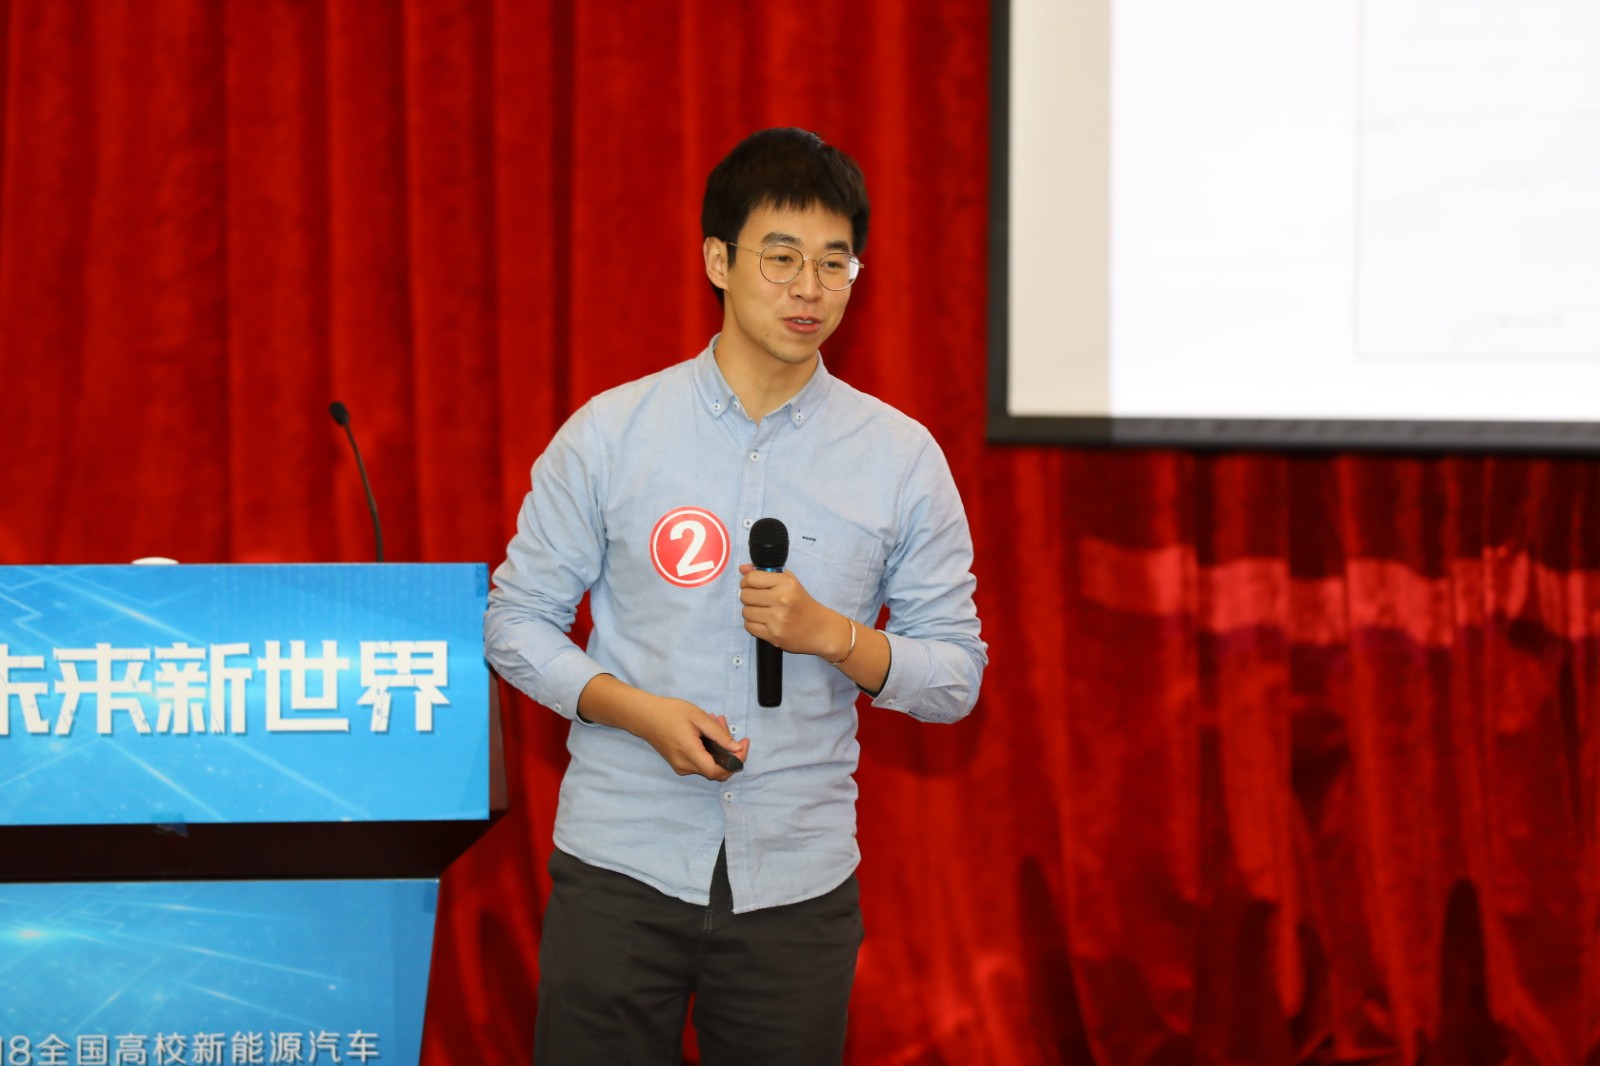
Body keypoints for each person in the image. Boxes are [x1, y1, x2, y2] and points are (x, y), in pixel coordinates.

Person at [484, 127, 986, 1065]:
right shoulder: (612, 434)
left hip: (796, 884)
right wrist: (635, 711)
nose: (810, 288)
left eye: (835, 262)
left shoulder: (900, 457)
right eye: (781, 257)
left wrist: (835, 636)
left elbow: (956, 676)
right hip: (622, 865)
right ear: (718, 260)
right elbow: (515, 622)